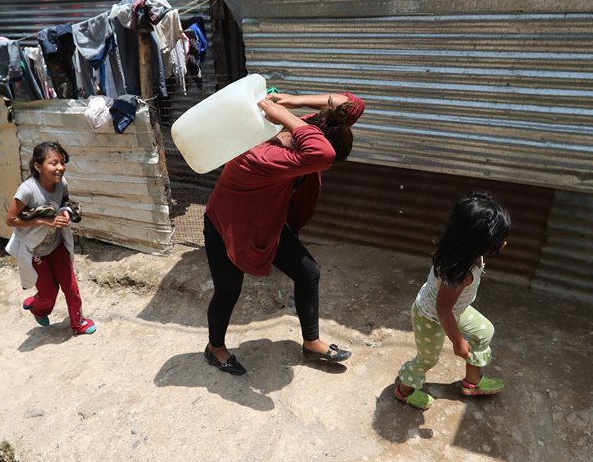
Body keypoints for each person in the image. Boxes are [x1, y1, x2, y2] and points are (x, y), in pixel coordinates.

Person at [202, 91, 364, 375]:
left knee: (308, 273)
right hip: (228, 225)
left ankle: (311, 343)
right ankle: (215, 348)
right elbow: (323, 154)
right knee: (228, 291)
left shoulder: (309, 128)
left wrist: (292, 101)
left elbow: (352, 103)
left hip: (268, 219)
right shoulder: (260, 156)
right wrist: (283, 115)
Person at [394, 191, 511, 408]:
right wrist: (458, 341)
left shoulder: (464, 250)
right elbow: (443, 311)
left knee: (484, 331)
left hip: (454, 310)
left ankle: (472, 382)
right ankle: (404, 390)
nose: (504, 242)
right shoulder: (459, 274)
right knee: (427, 360)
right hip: (430, 317)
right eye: (498, 239)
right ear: (477, 241)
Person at [4, 141, 97, 336]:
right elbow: (10, 220)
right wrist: (45, 221)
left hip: (57, 245)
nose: (60, 167)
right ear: (38, 166)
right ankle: (37, 307)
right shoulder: (27, 190)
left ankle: (78, 323)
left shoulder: (61, 184)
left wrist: (66, 212)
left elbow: (64, 203)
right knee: (49, 294)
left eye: (62, 162)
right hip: (35, 250)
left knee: (71, 288)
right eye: (53, 163)